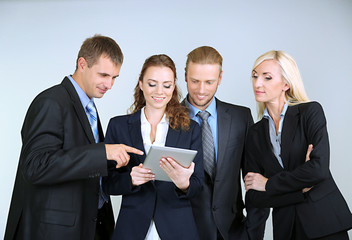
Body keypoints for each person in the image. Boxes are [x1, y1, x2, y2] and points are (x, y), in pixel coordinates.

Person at [4, 35, 143, 240]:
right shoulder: (51, 102)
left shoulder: (88, 106)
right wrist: (102, 152)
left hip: (88, 226)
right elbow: (35, 166)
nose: (109, 84)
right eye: (104, 75)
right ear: (82, 64)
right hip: (54, 232)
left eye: (114, 77)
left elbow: (83, 166)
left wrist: (124, 169)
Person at [244, 50, 352, 240]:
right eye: (255, 76)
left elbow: (318, 170)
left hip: (325, 223)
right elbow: (254, 196)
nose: (257, 83)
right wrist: (300, 189)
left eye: (267, 78)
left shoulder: (310, 112)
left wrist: (269, 184)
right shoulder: (254, 133)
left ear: (286, 84)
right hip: (287, 229)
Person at [103, 54, 204, 240]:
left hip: (178, 228)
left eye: (166, 85)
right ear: (141, 84)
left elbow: (198, 185)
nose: (159, 91)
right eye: (152, 84)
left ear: (173, 86)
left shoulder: (190, 129)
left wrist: (183, 183)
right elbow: (106, 183)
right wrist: (130, 179)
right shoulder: (118, 126)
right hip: (132, 228)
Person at [184, 46, 269, 240]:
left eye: (209, 82)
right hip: (183, 229)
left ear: (220, 78)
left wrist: (252, 233)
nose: (201, 90)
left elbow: (255, 178)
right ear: (185, 75)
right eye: (195, 81)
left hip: (232, 230)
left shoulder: (241, 117)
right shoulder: (168, 118)